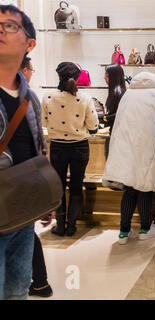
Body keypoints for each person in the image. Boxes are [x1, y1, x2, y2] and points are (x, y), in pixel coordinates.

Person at [0, 4, 51, 300]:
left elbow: (36, 150)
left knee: (17, 285)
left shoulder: (29, 97)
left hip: (21, 207)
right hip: (12, 201)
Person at [103, 72, 155, 244]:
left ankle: (124, 232)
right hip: (148, 144)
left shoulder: (129, 94)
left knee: (130, 189)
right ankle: (146, 228)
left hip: (126, 145)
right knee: (144, 187)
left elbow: (118, 123)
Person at [42, 62, 99, 237]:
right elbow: (93, 125)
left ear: (58, 76)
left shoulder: (48, 96)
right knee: (76, 186)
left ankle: (60, 226)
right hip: (79, 146)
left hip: (58, 146)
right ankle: (72, 226)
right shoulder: (85, 98)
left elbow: (44, 122)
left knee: (59, 186)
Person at [20, 56, 53, 298]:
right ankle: (40, 282)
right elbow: (38, 148)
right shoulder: (29, 99)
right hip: (22, 180)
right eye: (32, 68)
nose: (32, 73)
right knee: (22, 232)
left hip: (15, 181)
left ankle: (39, 282)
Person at [102, 64, 126, 133]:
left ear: (114, 77)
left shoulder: (120, 93)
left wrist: (105, 118)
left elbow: (120, 113)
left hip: (118, 132)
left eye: (107, 75)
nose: (104, 77)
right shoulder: (116, 92)